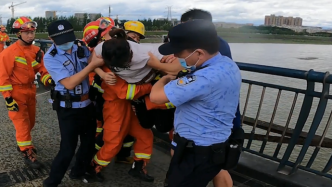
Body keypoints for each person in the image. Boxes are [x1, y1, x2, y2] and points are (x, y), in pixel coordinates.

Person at [149, 19, 242, 187]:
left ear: (199, 53)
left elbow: (156, 97)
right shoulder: (228, 64)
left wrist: (165, 79)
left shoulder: (203, 78)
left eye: (179, 54)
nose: (176, 57)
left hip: (197, 152)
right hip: (215, 145)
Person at [42, 20, 102, 187]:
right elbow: (69, 83)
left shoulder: (80, 47)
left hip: (87, 105)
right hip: (68, 109)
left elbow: (92, 61)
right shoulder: (51, 57)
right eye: (61, 40)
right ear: (51, 39)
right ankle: (51, 182)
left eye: (69, 38)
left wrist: (101, 72)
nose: (67, 43)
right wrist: (91, 67)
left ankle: (78, 171)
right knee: (67, 149)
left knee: (89, 143)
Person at [0, 16, 54, 169]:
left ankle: (24, 143)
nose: (31, 35)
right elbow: (3, 77)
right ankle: (26, 151)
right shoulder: (8, 53)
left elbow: (42, 70)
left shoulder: (37, 51)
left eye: (32, 32)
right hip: (16, 92)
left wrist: (48, 79)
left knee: (30, 122)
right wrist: (8, 98)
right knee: (22, 124)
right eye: (26, 32)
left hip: (31, 91)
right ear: (18, 34)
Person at [83, 18, 136, 165]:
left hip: (115, 101)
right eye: (110, 34)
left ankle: (121, 155)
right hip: (108, 101)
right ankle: (92, 161)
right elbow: (120, 88)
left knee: (125, 132)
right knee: (108, 132)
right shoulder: (105, 56)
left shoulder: (111, 52)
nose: (114, 37)